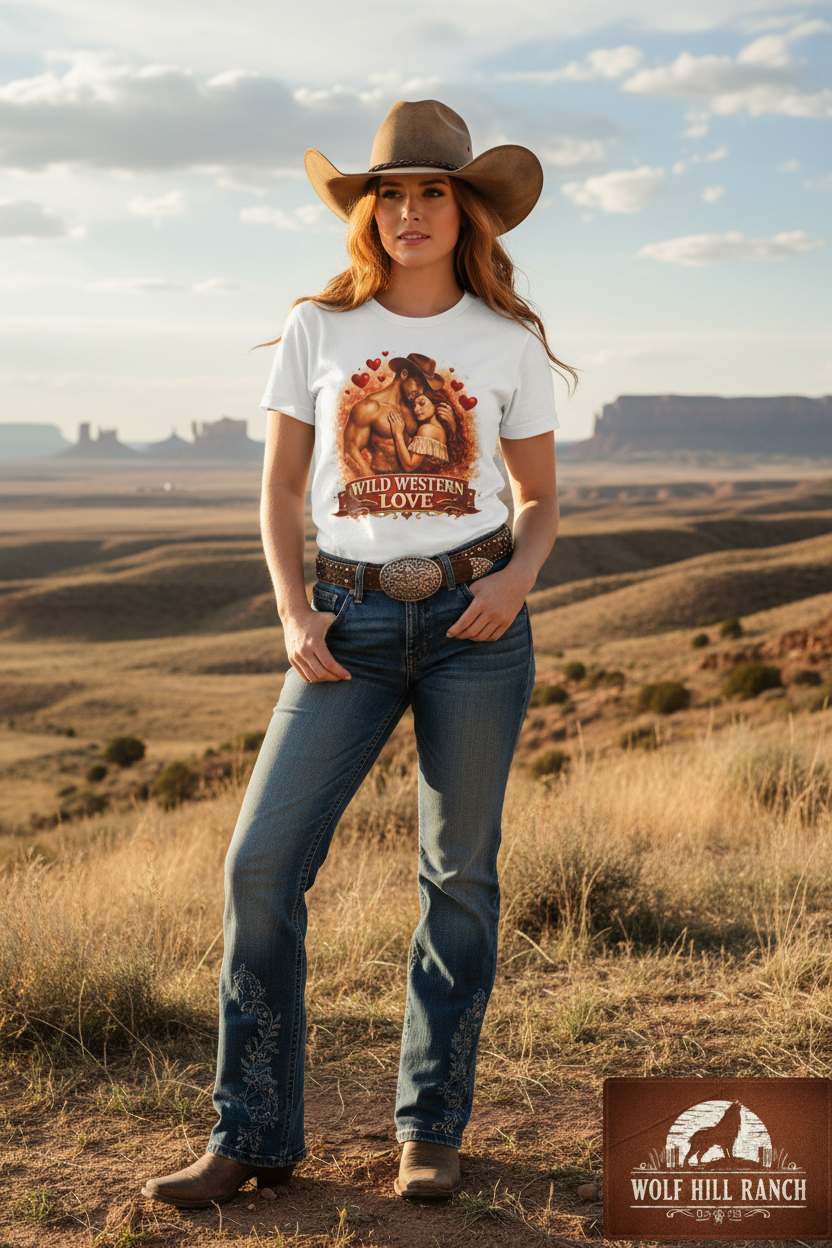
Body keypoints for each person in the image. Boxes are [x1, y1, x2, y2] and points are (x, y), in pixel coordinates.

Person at [141, 97, 574, 1210]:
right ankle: (251, 1133)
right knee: (259, 867)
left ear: (466, 208)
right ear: (367, 210)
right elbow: (283, 491)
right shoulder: (318, 332)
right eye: (391, 192)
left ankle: (430, 1128)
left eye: (432, 191)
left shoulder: (506, 340)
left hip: (477, 626)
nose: (410, 211)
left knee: (458, 878)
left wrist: (515, 583)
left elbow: (536, 503)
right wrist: (292, 614)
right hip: (345, 622)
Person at [389, 391, 453, 469]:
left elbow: (409, 466)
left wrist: (398, 433)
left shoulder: (427, 429)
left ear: (435, 404)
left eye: (422, 403)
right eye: (414, 406)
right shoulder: (440, 429)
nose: (416, 409)